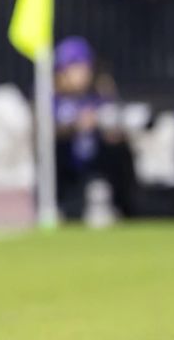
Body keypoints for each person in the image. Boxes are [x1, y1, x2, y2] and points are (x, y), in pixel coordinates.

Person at [53, 36, 139, 222]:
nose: (82, 73)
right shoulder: (52, 99)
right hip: (68, 175)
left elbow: (117, 123)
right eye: (75, 68)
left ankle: (123, 206)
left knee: (119, 151)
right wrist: (76, 125)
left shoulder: (99, 96)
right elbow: (45, 134)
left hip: (97, 169)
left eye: (85, 67)